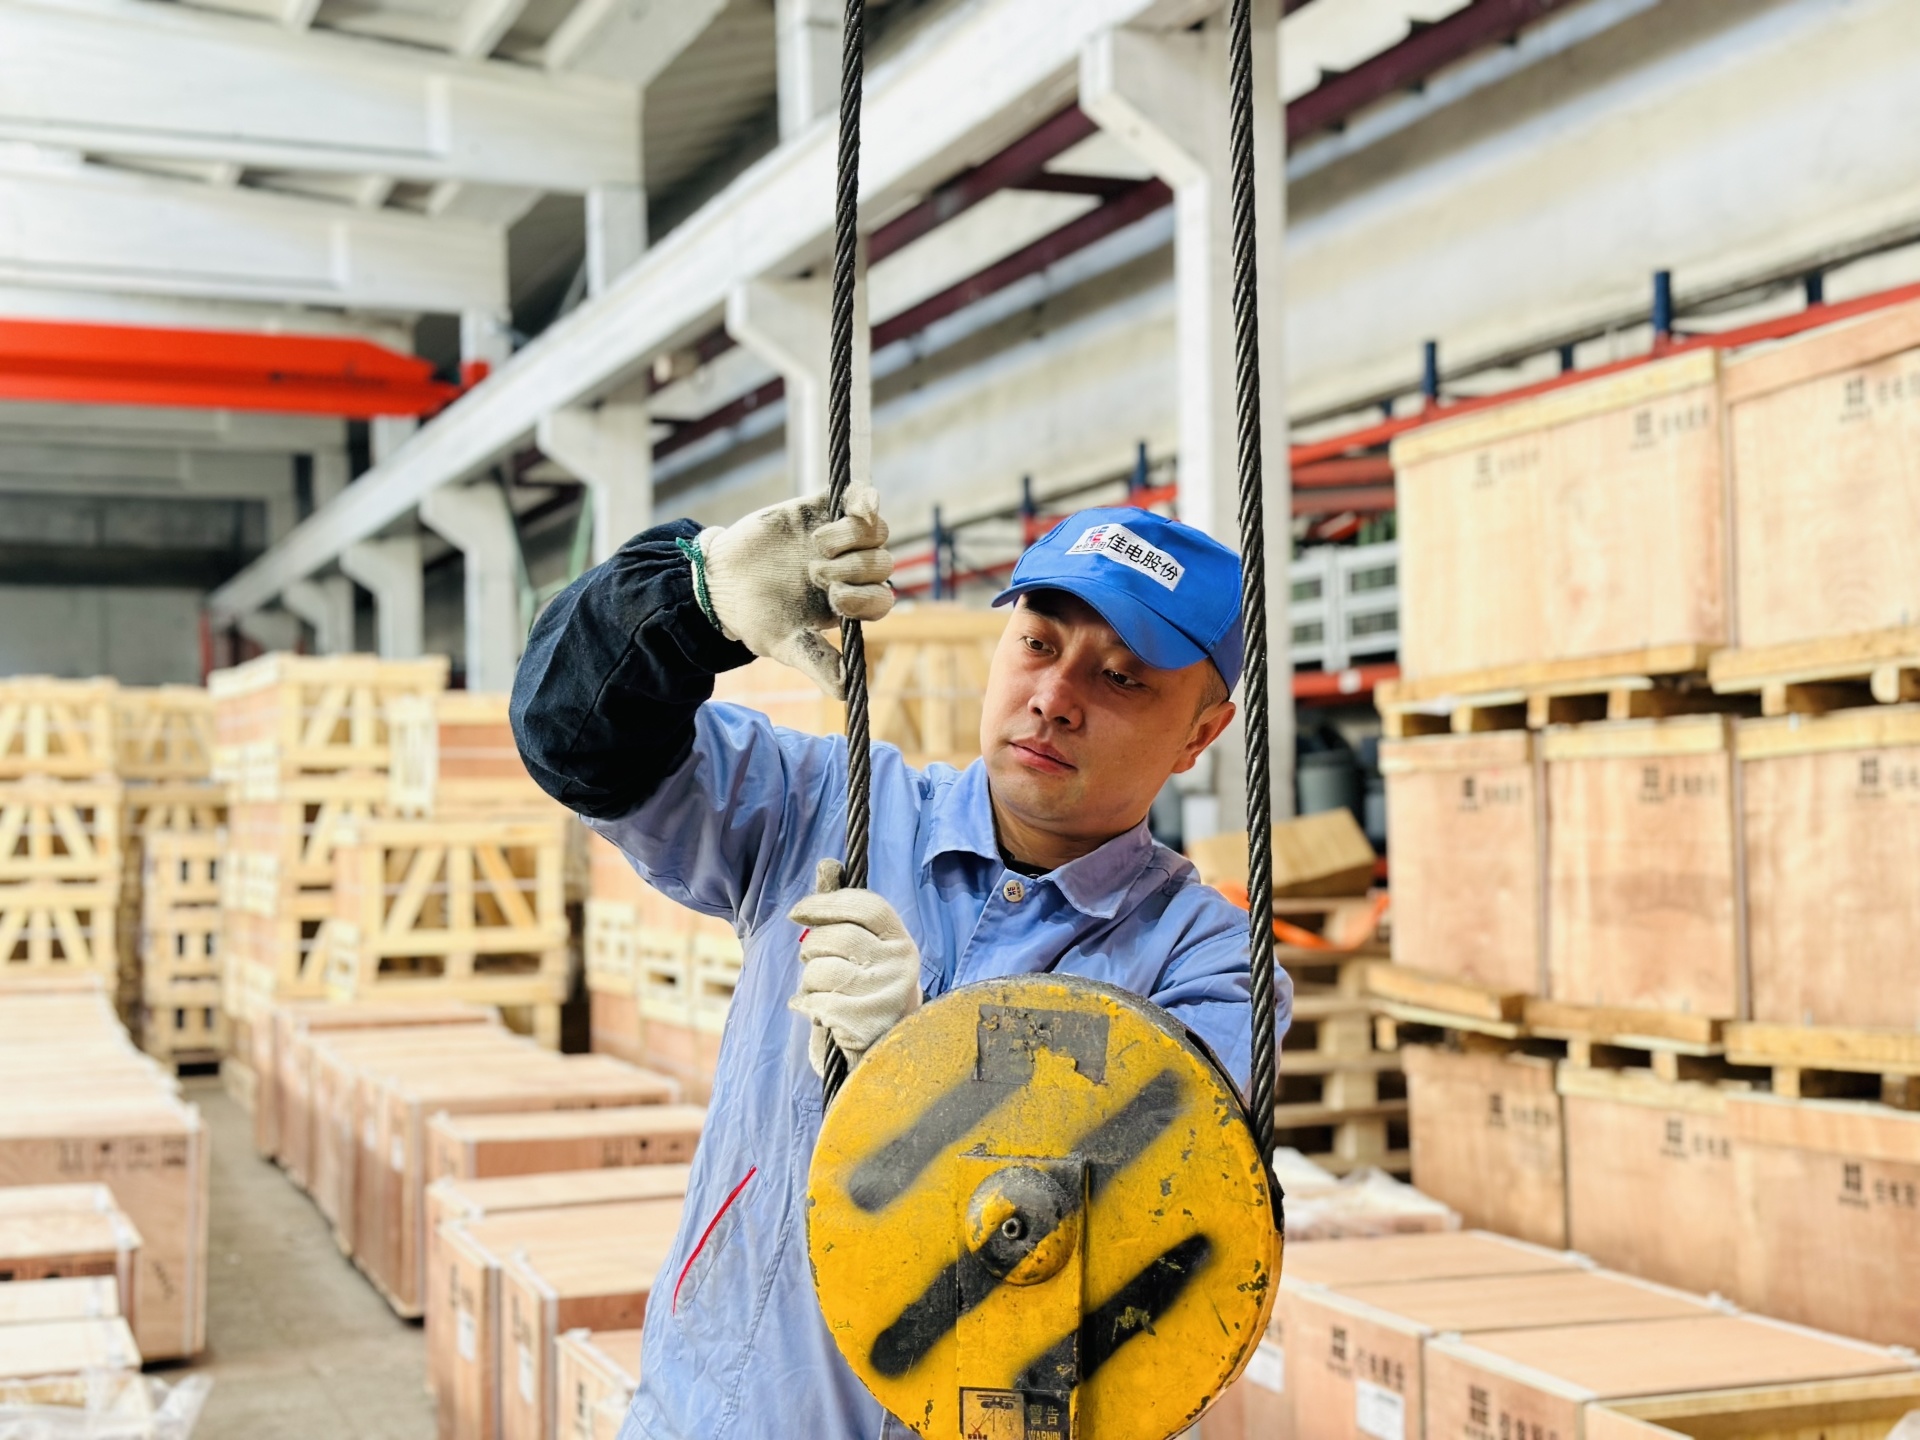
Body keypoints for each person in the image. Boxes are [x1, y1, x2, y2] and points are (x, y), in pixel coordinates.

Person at [511, 490, 1292, 1440]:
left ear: (1201, 734)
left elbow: (1144, 1230)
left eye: (1121, 678)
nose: (1054, 698)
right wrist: (692, 598)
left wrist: (918, 1069)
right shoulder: (824, 805)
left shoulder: (1210, 965)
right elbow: (575, 740)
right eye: (1037, 644)